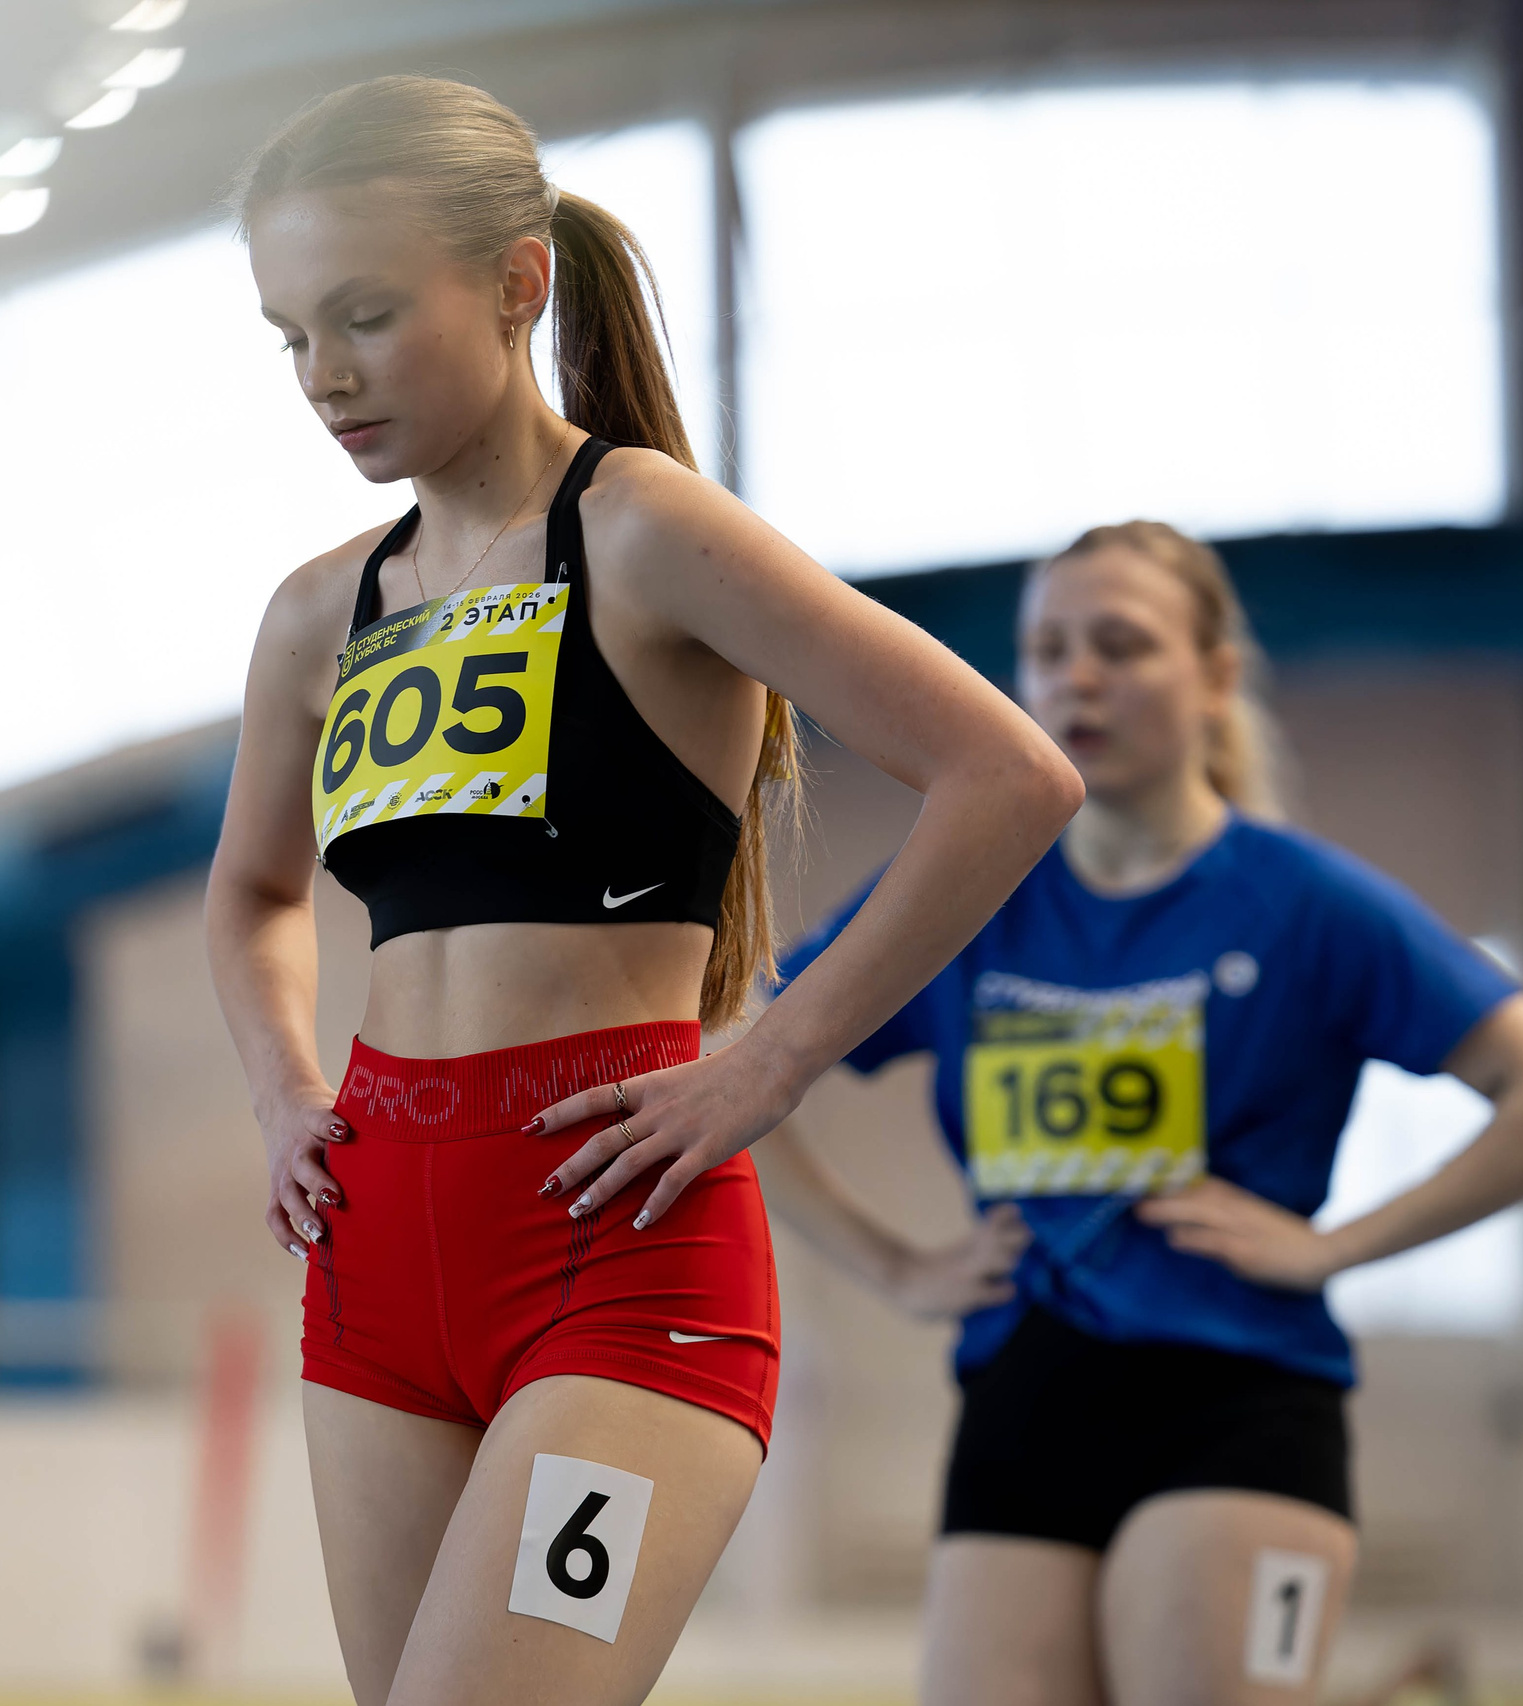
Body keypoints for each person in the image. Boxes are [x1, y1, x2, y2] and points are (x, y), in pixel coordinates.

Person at [205, 75, 1082, 1706]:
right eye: (291, 334)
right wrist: (280, 1091)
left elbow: (1008, 776)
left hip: (617, 1246)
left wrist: (769, 1058)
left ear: (519, 283)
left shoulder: (645, 533)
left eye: (369, 315)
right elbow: (253, 890)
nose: (326, 375)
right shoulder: (320, 613)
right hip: (379, 1246)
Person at [754, 520, 1523, 1704]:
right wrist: (892, 1263)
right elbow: (737, 1059)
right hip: (1023, 1396)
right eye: (1049, 649)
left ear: (1214, 678)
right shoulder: (967, 896)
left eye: (1122, 643)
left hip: (1239, 1402)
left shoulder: (1305, 902)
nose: (1078, 677)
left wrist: (1335, 1245)